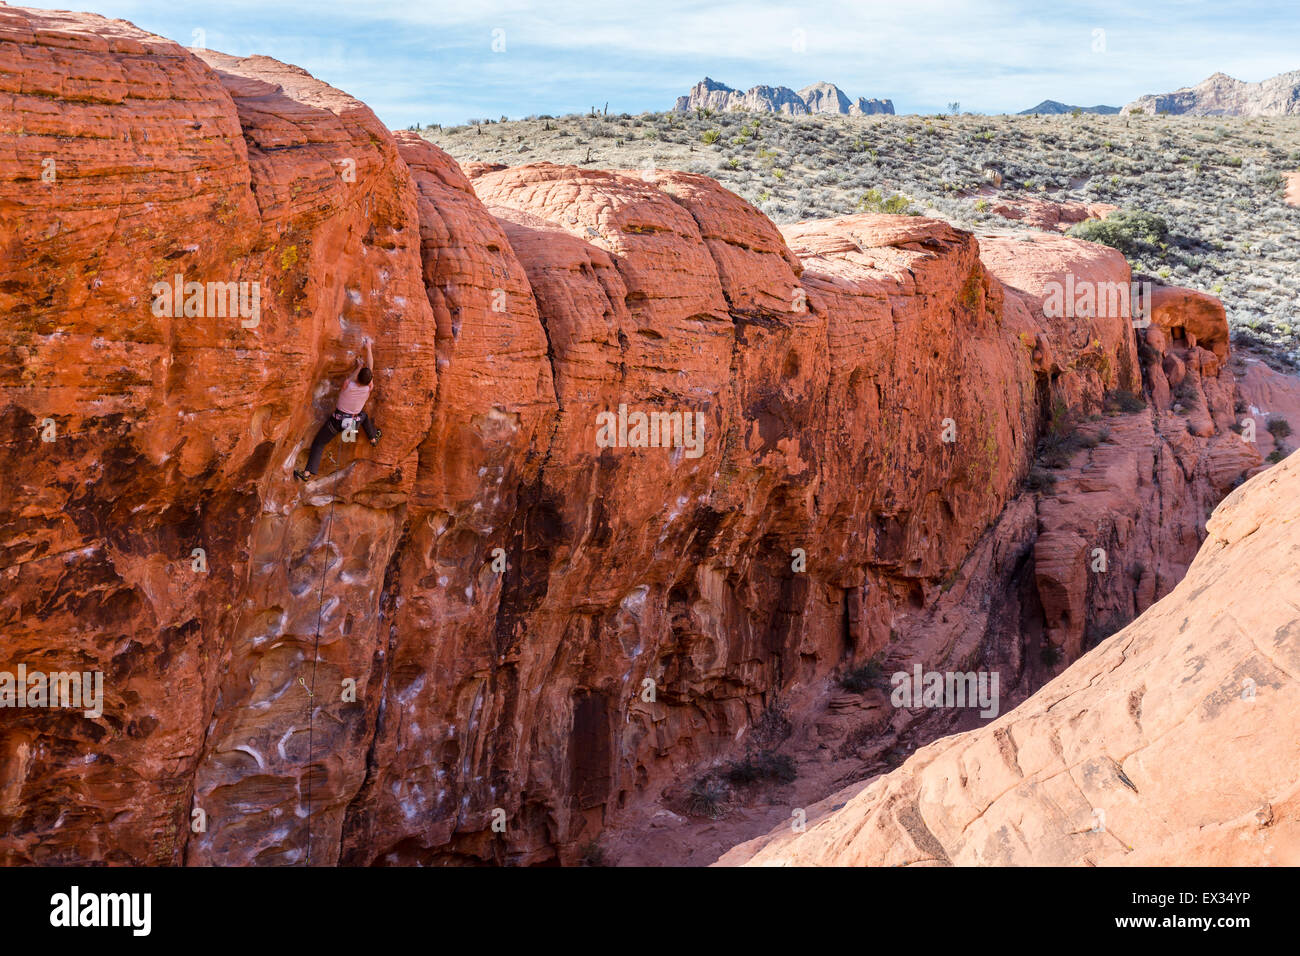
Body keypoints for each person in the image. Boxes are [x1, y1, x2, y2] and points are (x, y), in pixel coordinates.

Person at [294, 338, 381, 481]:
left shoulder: (348, 386)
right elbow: (371, 368)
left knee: (319, 443)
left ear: (357, 378)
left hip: (337, 422)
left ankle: (307, 474)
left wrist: (358, 366)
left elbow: (352, 377)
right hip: (352, 426)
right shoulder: (368, 388)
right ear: (369, 381)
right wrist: (369, 347)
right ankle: (372, 439)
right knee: (363, 415)